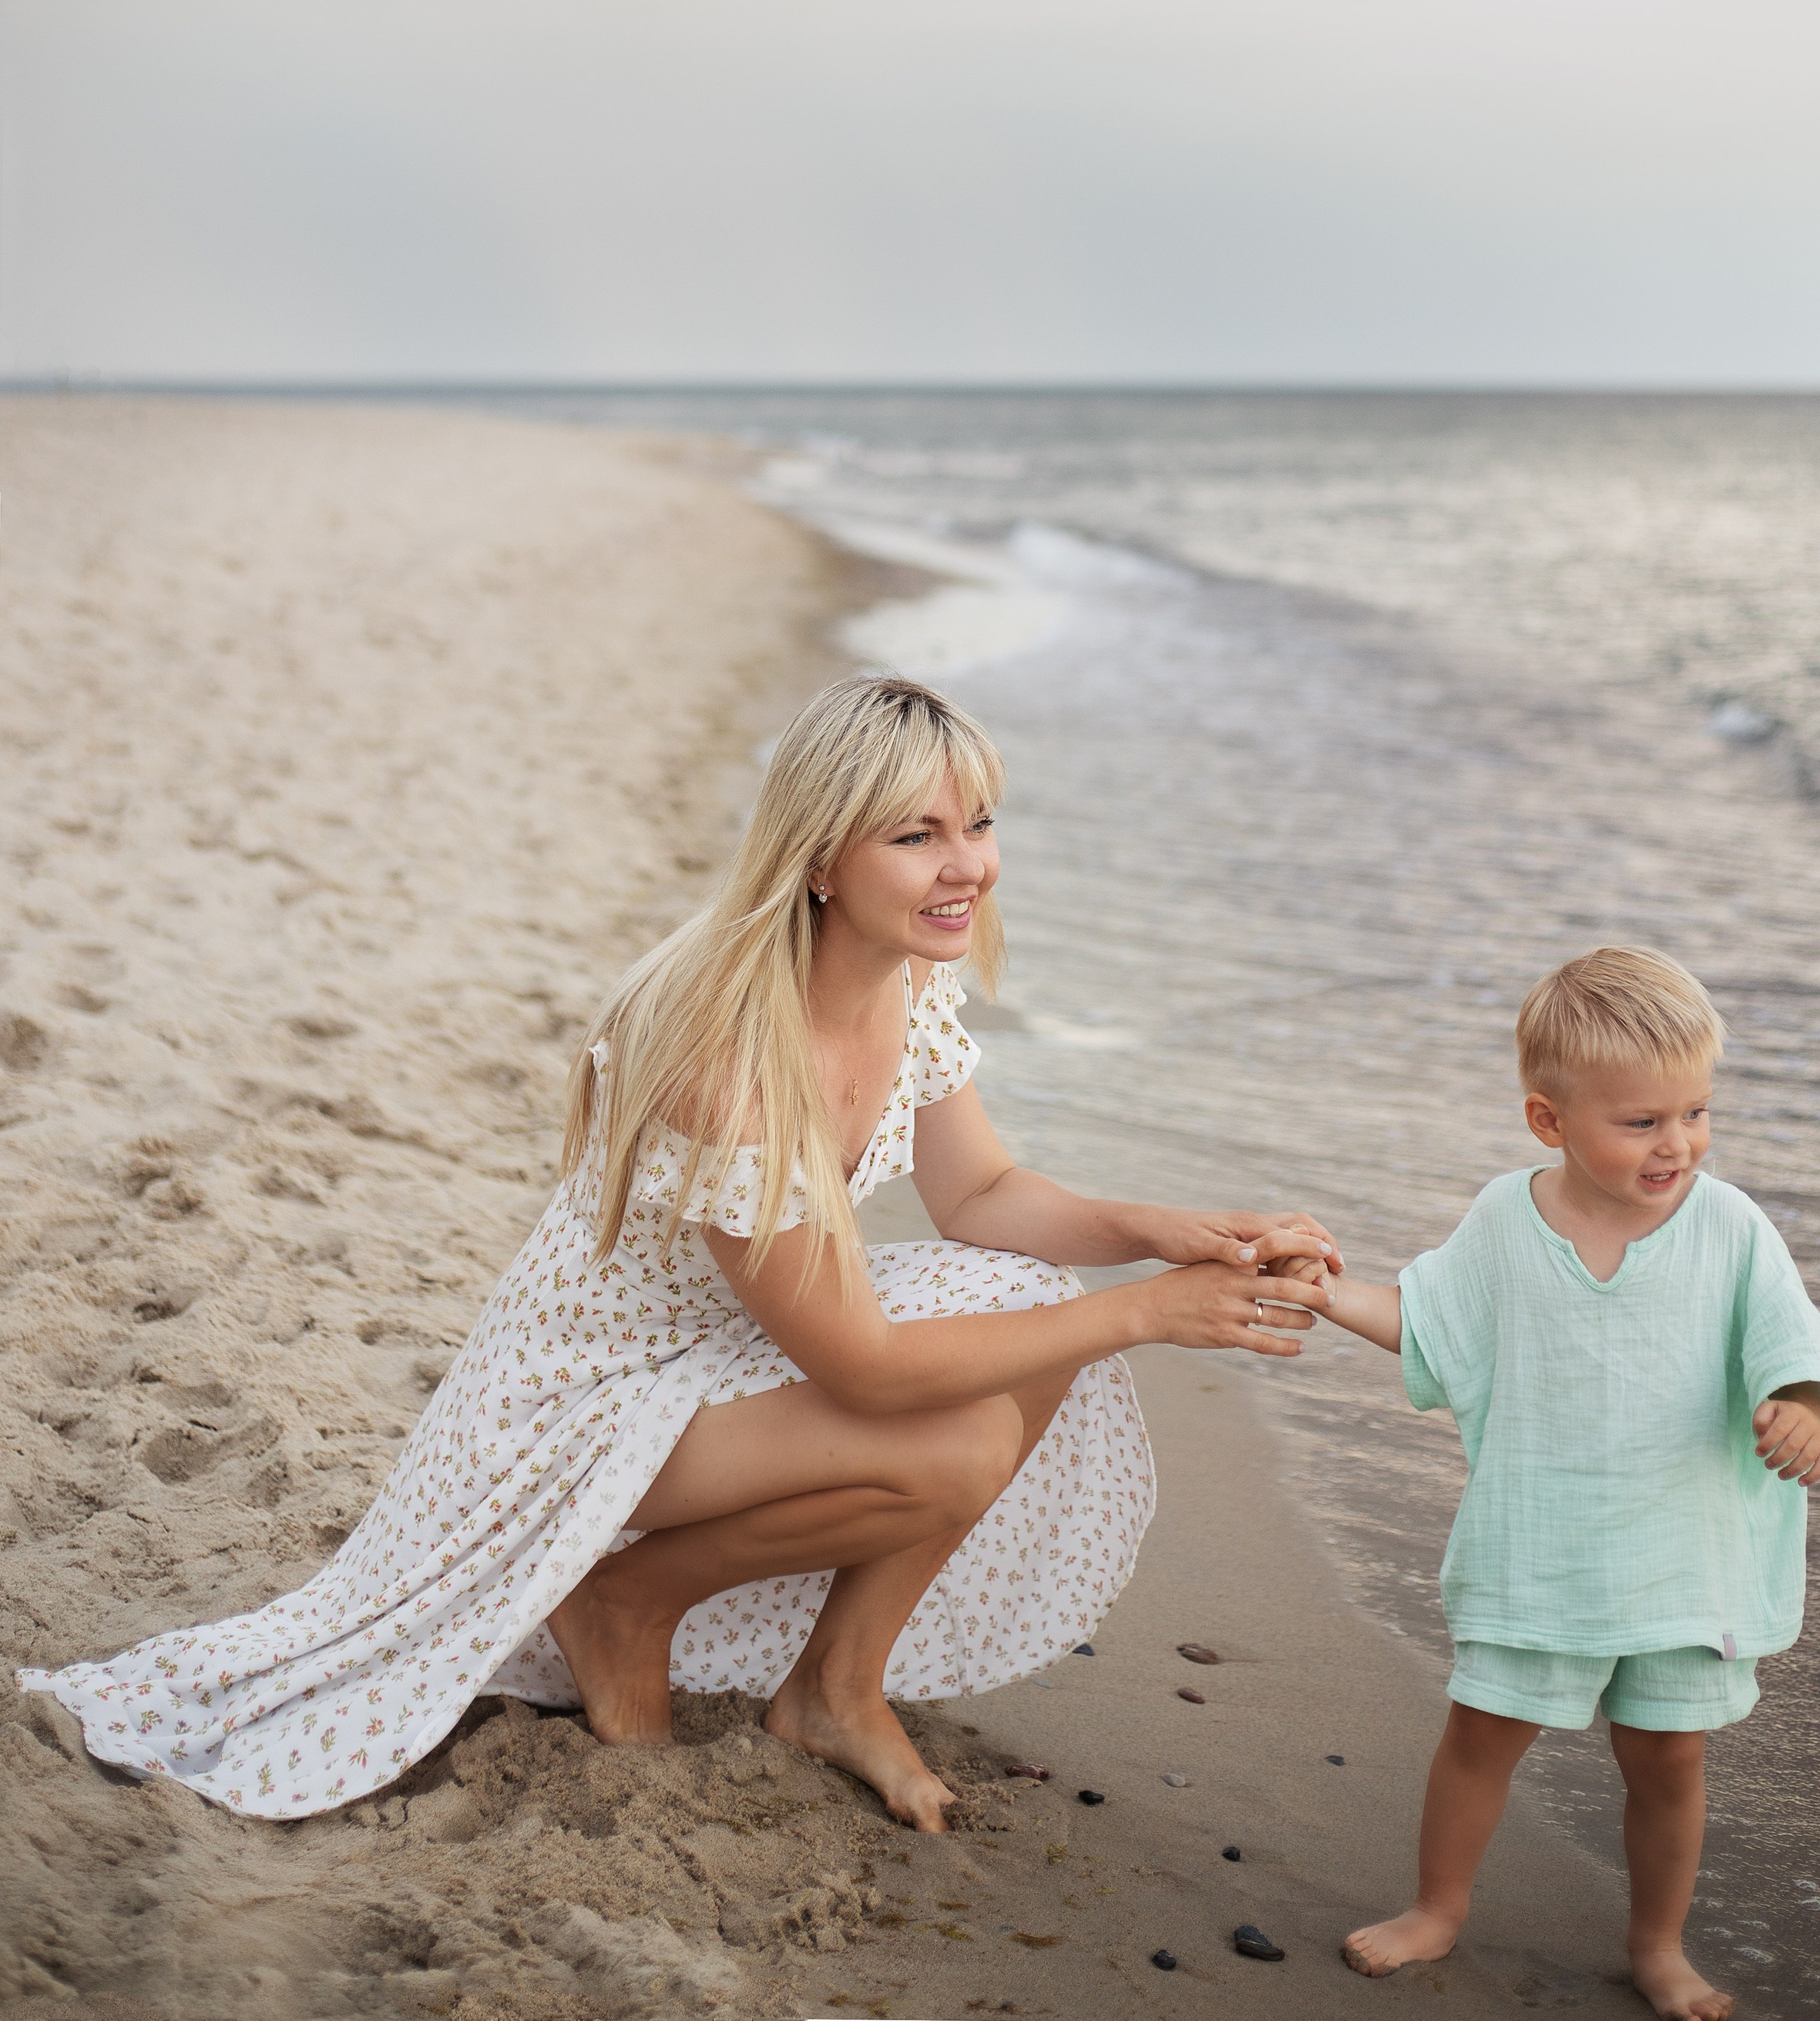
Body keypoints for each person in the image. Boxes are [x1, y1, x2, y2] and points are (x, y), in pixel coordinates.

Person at [22, 674, 1336, 1831]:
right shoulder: (724, 1055)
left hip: (727, 1351)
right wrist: (1153, 1313)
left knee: (1031, 1301)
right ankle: (623, 1607)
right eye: (917, 835)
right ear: (821, 858)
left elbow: (981, 1193)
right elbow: (874, 1372)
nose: (967, 867)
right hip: (579, 1402)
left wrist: (1158, 1231)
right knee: (957, 1436)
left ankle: (836, 1689)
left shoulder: (905, 975)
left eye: (978, 824)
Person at [1289, 945, 1820, 2021]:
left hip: (1678, 1558)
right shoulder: (1509, 1219)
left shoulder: (1731, 1228)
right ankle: (1437, 1909)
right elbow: (1433, 1325)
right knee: (1481, 1735)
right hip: (1540, 1542)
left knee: (1667, 1761)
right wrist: (1332, 1295)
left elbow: (1792, 1351)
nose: (1676, 1144)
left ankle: (1658, 1947)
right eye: (1641, 1122)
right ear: (1548, 1122)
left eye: (1695, 1112)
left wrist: (1799, 1410)